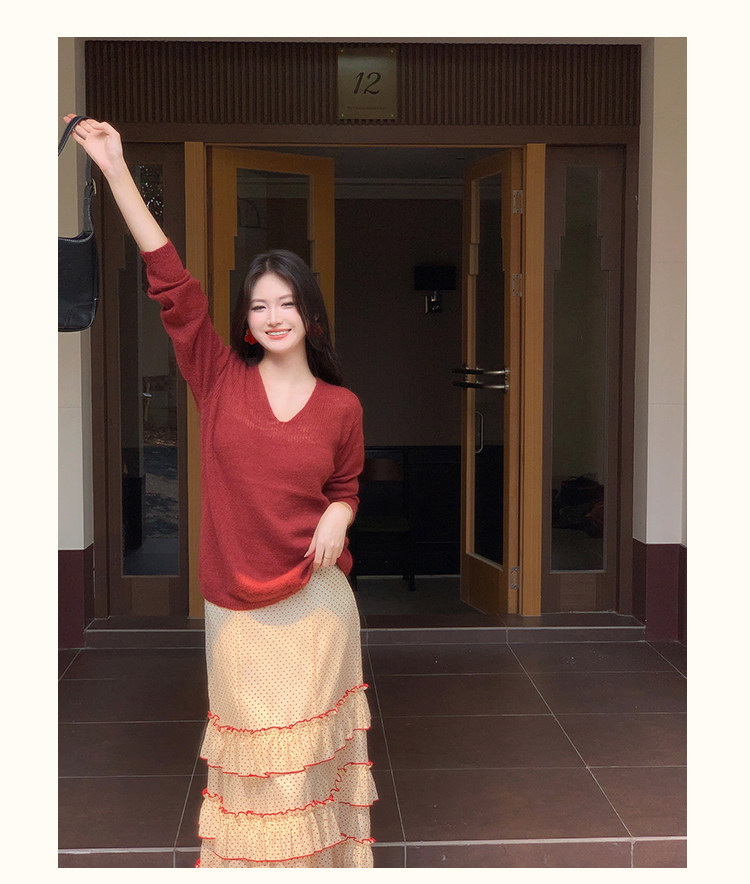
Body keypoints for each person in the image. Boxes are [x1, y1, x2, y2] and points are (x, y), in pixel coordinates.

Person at [63, 115, 377, 868]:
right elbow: (170, 280)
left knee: (306, 767)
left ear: (310, 314)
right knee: (256, 770)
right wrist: (115, 169)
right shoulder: (219, 377)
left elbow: (346, 485)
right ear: (244, 319)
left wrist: (340, 511)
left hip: (317, 603)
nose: (272, 316)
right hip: (237, 604)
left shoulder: (342, 406)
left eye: (286, 302)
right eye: (258, 305)